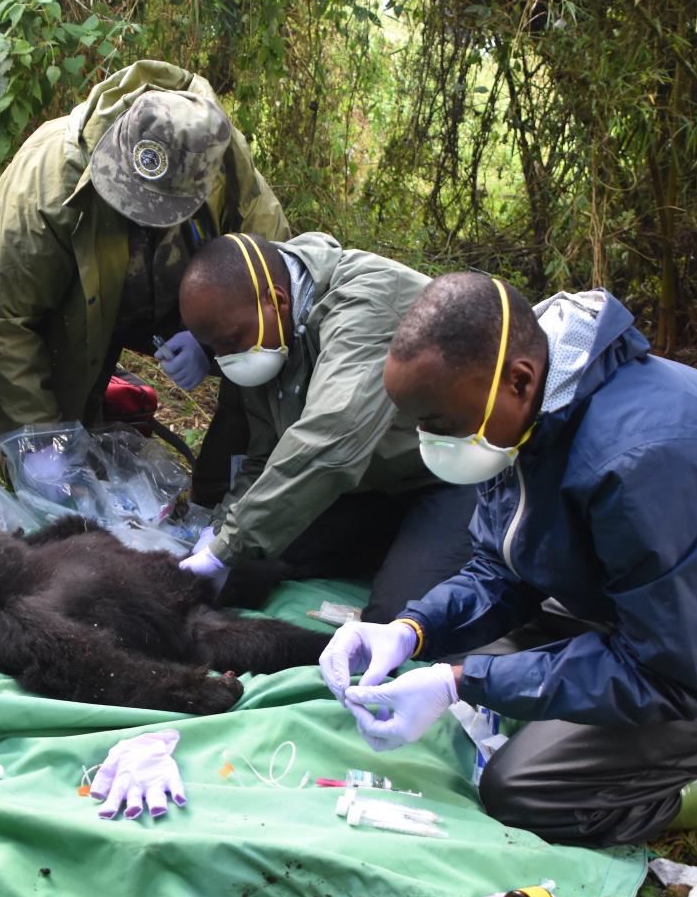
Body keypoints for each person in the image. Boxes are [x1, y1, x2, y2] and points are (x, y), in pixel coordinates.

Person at [319, 271, 697, 846]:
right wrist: (409, 630)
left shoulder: (637, 460)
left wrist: (459, 682)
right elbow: (503, 569)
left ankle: (684, 785)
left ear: (519, 382)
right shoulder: (527, 412)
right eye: (420, 425)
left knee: (521, 791)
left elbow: (668, 669)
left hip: (685, 662)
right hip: (639, 616)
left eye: (442, 425)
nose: (430, 442)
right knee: (458, 657)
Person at [0, 60, 288, 500]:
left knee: (255, 336)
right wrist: (39, 444)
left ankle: (231, 488)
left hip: (176, 293)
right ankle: (46, 443)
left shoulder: (223, 160)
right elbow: (5, 317)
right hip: (77, 305)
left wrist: (205, 341)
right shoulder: (43, 182)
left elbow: (274, 277)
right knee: (49, 440)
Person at [175, 232, 478, 621]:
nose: (227, 359)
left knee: (399, 620)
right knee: (242, 568)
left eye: (232, 342)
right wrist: (218, 534)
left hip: (449, 477)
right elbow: (265, 456)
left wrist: (226, 548)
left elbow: (332, 441)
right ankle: (388, 548)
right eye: (215, 350)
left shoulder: (367, 302)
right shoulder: (265, 333)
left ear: (278, 301)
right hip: (370, 485)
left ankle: (435, 552)